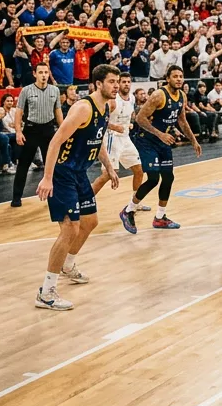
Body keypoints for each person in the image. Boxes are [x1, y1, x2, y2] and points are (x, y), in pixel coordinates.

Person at [34, 64, 122, 311]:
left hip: (80, 172)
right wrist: (47, 178)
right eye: (112, 81)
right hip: (62, 173)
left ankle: (68, 265)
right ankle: (46, 292)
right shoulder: (83, 108)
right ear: (97, 84)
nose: (116, 86)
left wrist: (109, 167)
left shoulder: (108, 107)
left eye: (118, 81)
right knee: (70, 229)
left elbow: (98, 138)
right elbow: (55, 142)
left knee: (90, 221)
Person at [122, 64, 199, 230]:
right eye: (175, 76)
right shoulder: (159, 95)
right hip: (146, 140)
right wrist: (160, 134)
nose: (179, 79)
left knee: (168, 177)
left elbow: (182, 120)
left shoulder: (182, 96)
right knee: (153, 179)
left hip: (163, 141)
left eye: (181, 76)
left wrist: (193, 140)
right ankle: (128, 210)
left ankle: (160, 217)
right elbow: (140, 118)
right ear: (167, 78)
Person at [12, 63, 62, 207]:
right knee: (23, 165)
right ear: (34, 74)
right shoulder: (26, 90)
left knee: (52, 165)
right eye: (40, 72)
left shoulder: (55, 90)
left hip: (48, 130)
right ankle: (16, 197)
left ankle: (55, 196)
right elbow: (19, 112)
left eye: (46, 72)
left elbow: (58, 111)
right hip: (31, 130)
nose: (44, 75)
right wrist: (18, 132)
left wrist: (63, 130)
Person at [102, 86, 149, 223]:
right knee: (107, 175)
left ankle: (135, 202)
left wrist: (131, 123)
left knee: (139, 170)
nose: (126, 84)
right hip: (112, 137)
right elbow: (101, 120)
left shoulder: (132, 98)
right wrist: (115, 127)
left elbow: (130, 115)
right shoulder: (112, 100)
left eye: (129, 82)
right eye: (123, 82)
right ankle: (84, 201)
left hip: (125, 138)